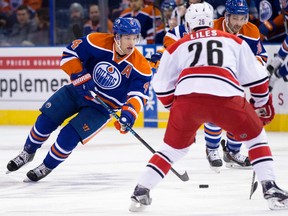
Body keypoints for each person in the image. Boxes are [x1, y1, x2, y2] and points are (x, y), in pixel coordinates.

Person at [128, 2, 288, 212]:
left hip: (186, 101)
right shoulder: (232, 40)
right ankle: (270, 189)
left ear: (188, 24)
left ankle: (141, 190)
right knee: (256, 137)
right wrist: (261, 104)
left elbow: (161, 86)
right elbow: (257, 78)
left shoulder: (177, 45)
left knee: (171, 150)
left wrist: (173, 107)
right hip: (225, 96)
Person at [6, 17, 152, 182]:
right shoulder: (96, 41)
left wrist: (129, 115)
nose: (131, 42)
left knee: (68, 136)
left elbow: (138, 96)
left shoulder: (142, 67)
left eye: (135, 38)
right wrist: (80, 75)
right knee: (45, 120)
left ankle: (47, 165)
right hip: (77, 91)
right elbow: (69, 54)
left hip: (101, 108)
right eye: (127, 37)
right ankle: (28, 152)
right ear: (117, 36)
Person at [151, 0, 268, 173]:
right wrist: (162, 53)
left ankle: (233, 152)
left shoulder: (251, 30)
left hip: (234, 76)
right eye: (235, 18)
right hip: (214, 76)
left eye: (242, 18)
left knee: (242, 115)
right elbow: (177, 34)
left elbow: (261, 56)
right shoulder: (209, 26)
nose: (238, 23)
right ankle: (212, 149)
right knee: (216, 108)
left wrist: (253, 69)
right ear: (226, 16)